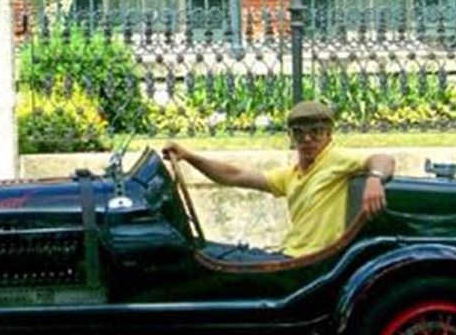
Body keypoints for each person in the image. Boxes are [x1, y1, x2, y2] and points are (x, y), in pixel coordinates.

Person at [162, 101, 395, 259]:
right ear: (291, 136)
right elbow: (235, 175)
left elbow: (384, 159)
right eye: (299, 133)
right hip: (290, 255)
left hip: (311, 263)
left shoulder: (336, 159)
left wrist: (374, 179)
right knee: (209, 252)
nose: (307, 139)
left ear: (329, 134)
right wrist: (189, 156)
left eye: (315, 131)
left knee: (223, 262)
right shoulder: (292, 175)